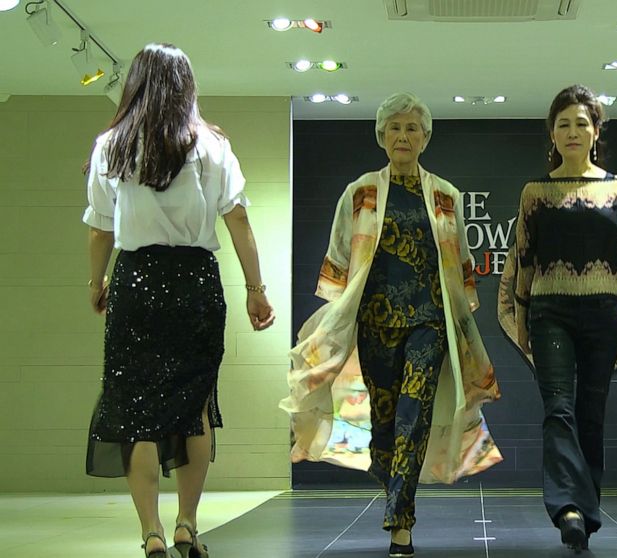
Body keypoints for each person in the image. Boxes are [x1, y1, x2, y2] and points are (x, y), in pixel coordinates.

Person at [280, 92, 501, 558]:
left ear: (425, 138)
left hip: (429, 322)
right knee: (383, 425)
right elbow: (340, 254)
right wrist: (335, 321)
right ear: (382, 137)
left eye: (412, 128)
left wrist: (462, 321)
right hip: (373, 324)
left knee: (413, 413)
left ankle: (401, 519)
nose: (403, 136)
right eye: (394, 128)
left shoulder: (446, 195)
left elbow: (459, 259)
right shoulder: (360, 191)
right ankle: (393, 485)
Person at [83, 44, 275, 558]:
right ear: (188, 85)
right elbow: (239, 221)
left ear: (135, 83)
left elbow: (101, 229)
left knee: (135, 411)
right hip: (196, 283)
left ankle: (151, 533)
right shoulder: (212, 144)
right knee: (196, 408)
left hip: (136, 283)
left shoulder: (111, 145)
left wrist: (96, 283)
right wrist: (256, 291)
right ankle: (188, 523)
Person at [498, 84, 617, 552]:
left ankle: (585, 513)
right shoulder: (534, 193)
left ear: (595, 131)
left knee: (591, 413)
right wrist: (523, 321)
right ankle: (566, 506)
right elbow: (522, 260)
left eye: (581, 123)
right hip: (550, 312)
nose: (572, 131)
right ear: (552, 133)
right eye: (563, 123)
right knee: (558, 408)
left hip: (603, 314)